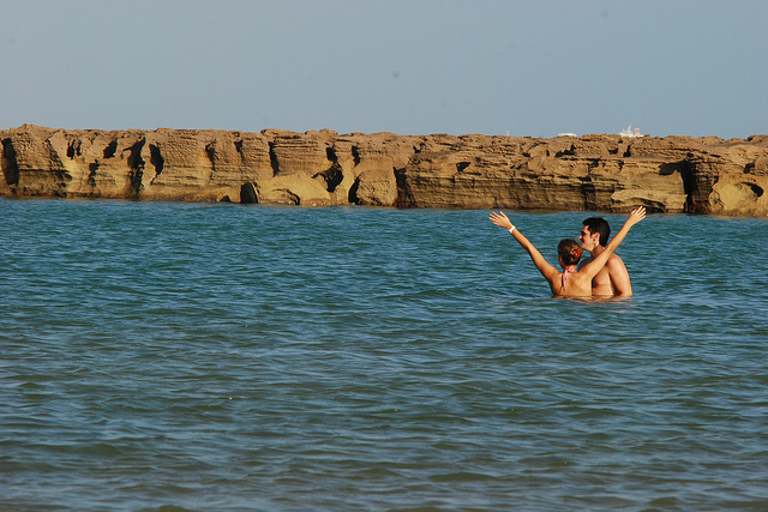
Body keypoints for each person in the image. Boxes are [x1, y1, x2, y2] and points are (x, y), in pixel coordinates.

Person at [489, 207, 646, 297]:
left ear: (560, 259)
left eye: (582, 234)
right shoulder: (586, 272)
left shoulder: (553, 277)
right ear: (577, 256)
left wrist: (510, 227)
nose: (579, 237)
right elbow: (611, 247)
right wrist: (629, 223)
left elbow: (530, 248)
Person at [578, 216, 632, 297]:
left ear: (596, 237)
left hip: (606, 308)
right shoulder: (583, 263)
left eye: (583, 234)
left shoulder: (612, 262)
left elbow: (626, 294)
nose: (579, 237)